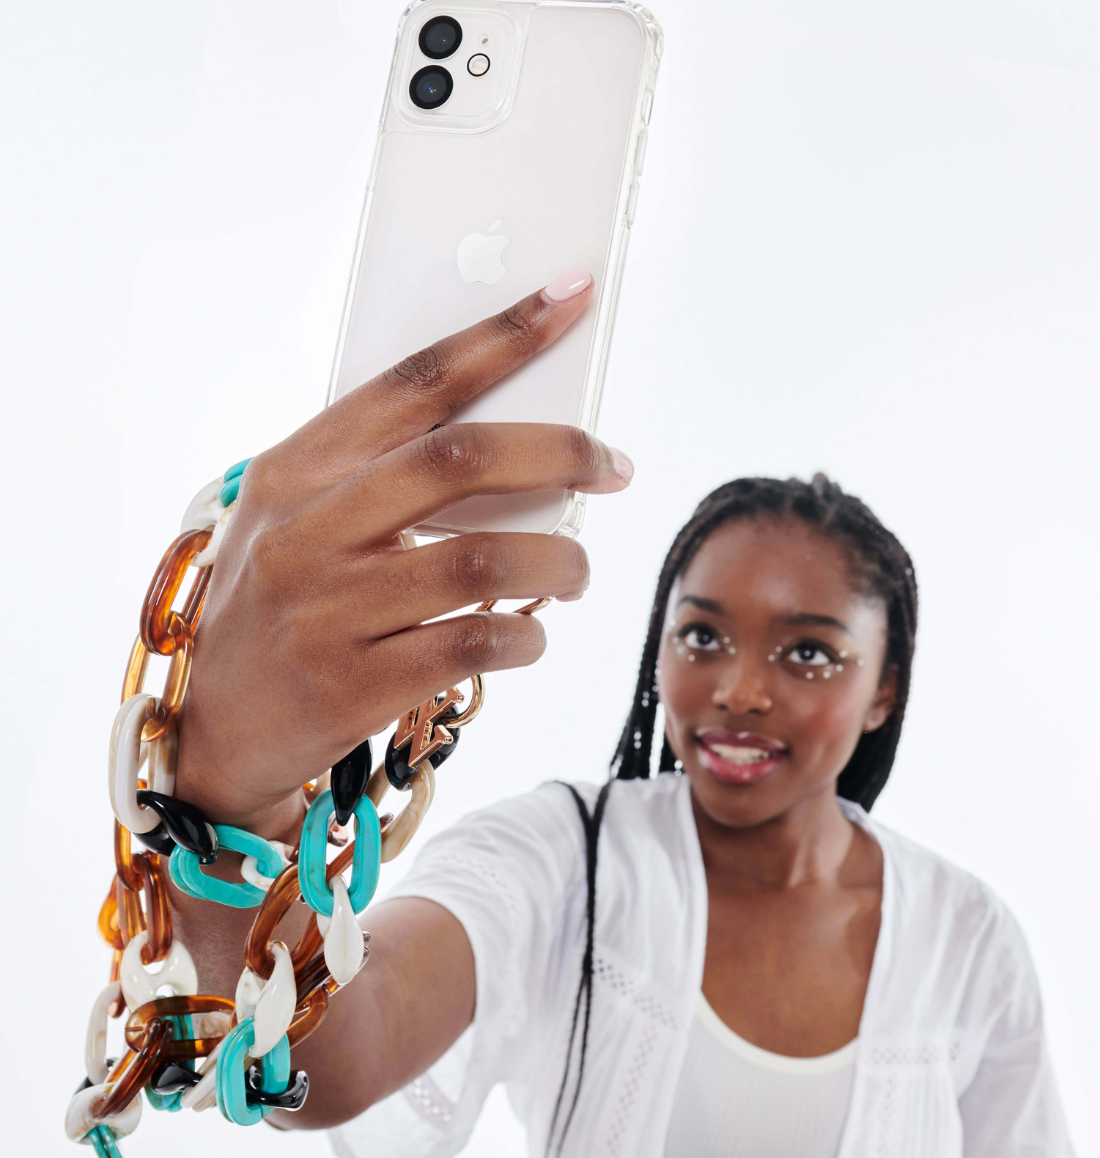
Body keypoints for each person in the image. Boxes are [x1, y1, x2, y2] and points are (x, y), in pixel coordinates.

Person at [170, 269, 1074, 1157]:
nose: (739, 691)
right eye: (703, 637)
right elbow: (338, 1057)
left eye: (807, 652)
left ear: (885, 689)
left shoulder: (969, 940)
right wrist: (231, 801)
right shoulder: (566, 856)